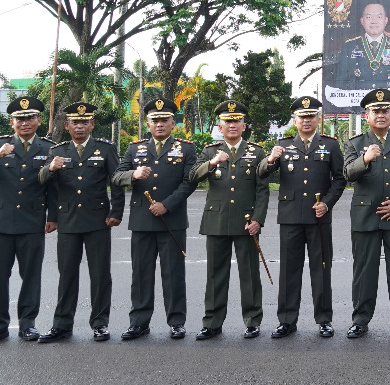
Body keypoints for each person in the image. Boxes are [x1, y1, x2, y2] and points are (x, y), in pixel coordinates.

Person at [258, 96, 346, 339]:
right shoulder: (283, 145)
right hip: (290, 217)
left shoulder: (330, 145)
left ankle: (324, 320)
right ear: (294, 120)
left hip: (318, 218)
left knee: (321, 269)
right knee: (289, 271)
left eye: (310, 116)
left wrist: (327, 204)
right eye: (302, 117)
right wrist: (270, 159)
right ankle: (287, 320)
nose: (306, 121)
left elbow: (339, 180)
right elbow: (262, 174)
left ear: (318, 119)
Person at [0, 96, 56, 345]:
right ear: (12, 123)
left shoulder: (49, 148)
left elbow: (53, 187)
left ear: (39, 120)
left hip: (32, 220)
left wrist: (53, 217)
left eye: (30, 117)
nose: (25, 122)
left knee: (31, 275)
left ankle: (28, 324)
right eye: (20, 118)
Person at [37, 101, 124, 343]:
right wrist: (52, 217)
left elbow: (116, 183)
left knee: (100, 275)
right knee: (66, 275)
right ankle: (62, 325)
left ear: (92, 124)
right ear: (66, 125)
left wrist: (116, 212)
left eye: (85, 122)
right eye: (75, 122)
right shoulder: (58, 151)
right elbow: (48, 186)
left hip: (98, 220)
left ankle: (99, 323)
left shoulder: (105, 150)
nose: (80, 126)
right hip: (67, 221)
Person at [113, 98, 198, 340]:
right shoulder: (134, 149)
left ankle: (176, 322)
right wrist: (133, 174)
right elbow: (117, 176)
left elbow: (189, 182)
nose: (159, 124)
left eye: (164, 120)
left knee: (173, 273)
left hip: (172, 220)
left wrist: (167, 205)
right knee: (141, 274)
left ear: (173, 122)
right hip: (142, 220)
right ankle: (138, 322)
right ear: (147, 124)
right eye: (154, 120)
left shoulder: (186, 148)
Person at [342, 88, 390, 339]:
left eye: (385, 111)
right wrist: (364, 159)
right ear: (366, 115)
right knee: (364, 271)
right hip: (366, 217)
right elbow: (347, 175)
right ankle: (360, 320)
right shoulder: (355, 144)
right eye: (375, 111)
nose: (381, 115)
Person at [190, 100, 269, 340]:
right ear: (219, 126)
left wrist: (258, 220)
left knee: (250, 274)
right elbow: (193, 176)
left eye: (236, 121)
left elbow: (262, 189)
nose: (232, 125)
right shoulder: (209, 151)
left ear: (244, 125)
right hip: (217, 221)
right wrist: (212, 163)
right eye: (227, 121)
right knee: (215, 275)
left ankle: (253, 321)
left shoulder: (256, 152)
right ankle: (212, 322)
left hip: (246, 222)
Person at [335, 2, 390, 89]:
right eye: (369, 17)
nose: (374, 21)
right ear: (362, 21)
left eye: (379, 17)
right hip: (359, 101)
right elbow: (341, 83)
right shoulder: (349, 47)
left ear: (386, 20)